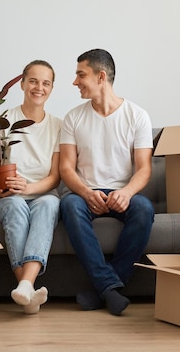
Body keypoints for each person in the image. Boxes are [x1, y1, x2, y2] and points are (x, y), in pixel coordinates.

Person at [59, 49, 155, 316]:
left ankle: (103, 289)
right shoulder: (73, 118)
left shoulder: (137, 116)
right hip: (84, 193)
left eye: (81, 74)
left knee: (144, 209)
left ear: (101, 76)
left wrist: (126, 192)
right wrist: (86, 193)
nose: (75, 81)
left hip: (121, 194)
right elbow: (66, 168)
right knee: (69, 205)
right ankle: (110, 288)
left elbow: (144, 169)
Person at [0, 60, 62, 315]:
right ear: (23, 84)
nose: (39, 87)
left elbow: (55, 177)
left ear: (51, 88)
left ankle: (25, 287)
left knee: (51, 202)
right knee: (16, 205)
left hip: (41, 193)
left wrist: (29, 188)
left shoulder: (58, 126)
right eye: (34, 81)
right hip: (5, 198)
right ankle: (26, 287)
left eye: (46, 83)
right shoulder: (2, 121)